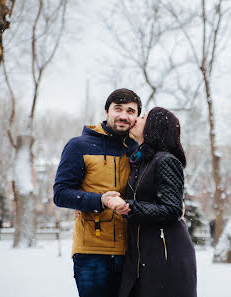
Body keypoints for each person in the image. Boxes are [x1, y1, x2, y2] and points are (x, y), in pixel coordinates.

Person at [53, 88, 141, 297]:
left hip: (132, 251)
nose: (123, 115)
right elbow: (61, 193)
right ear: (106, 112)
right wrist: (100, 200)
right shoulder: (79, 145)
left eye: (130, 111)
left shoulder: (137, 150)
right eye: (117, 109)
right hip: (92, 252)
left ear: (137, 117)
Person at [104, 107, 197, 297]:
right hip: (142, 253)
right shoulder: (141, 161)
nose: (136, 120)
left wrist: (130, 207)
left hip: (164, 254)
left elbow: (172, 209)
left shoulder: (165, 160)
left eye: (143, 117)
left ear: (154, 126)